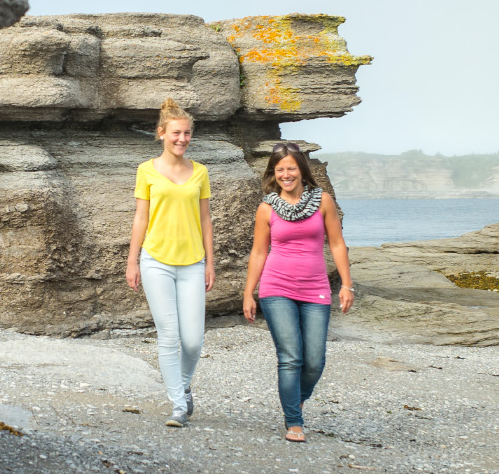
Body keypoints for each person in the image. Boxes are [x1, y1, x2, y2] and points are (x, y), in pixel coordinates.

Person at [241, 142, 355, 442]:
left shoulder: (323, 201)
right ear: (273, 174)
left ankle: (295, 399)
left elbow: (337, 244)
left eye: (291, 168)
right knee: (290, 357)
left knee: (315, 360)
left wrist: (346, 284)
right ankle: (294, 421)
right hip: (276, 288)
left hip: (316, 288)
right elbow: (258, 253)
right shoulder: (266, 208)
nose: (286, 174)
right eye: (280, 170)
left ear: (302, 170)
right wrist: (248, 293)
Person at [126, 98, 215, 428]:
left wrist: (210, 262)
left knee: (193, 340)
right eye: (176, 133)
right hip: (155, 261)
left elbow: (206, 220)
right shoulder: (146, 170)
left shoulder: (201, 172)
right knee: (168, 335)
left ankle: (183, 385)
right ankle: (178, 406)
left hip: (192, 262)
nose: (182, 139)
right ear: (161, 133)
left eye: (187, 133)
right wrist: (132, 261)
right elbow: (140, 218)